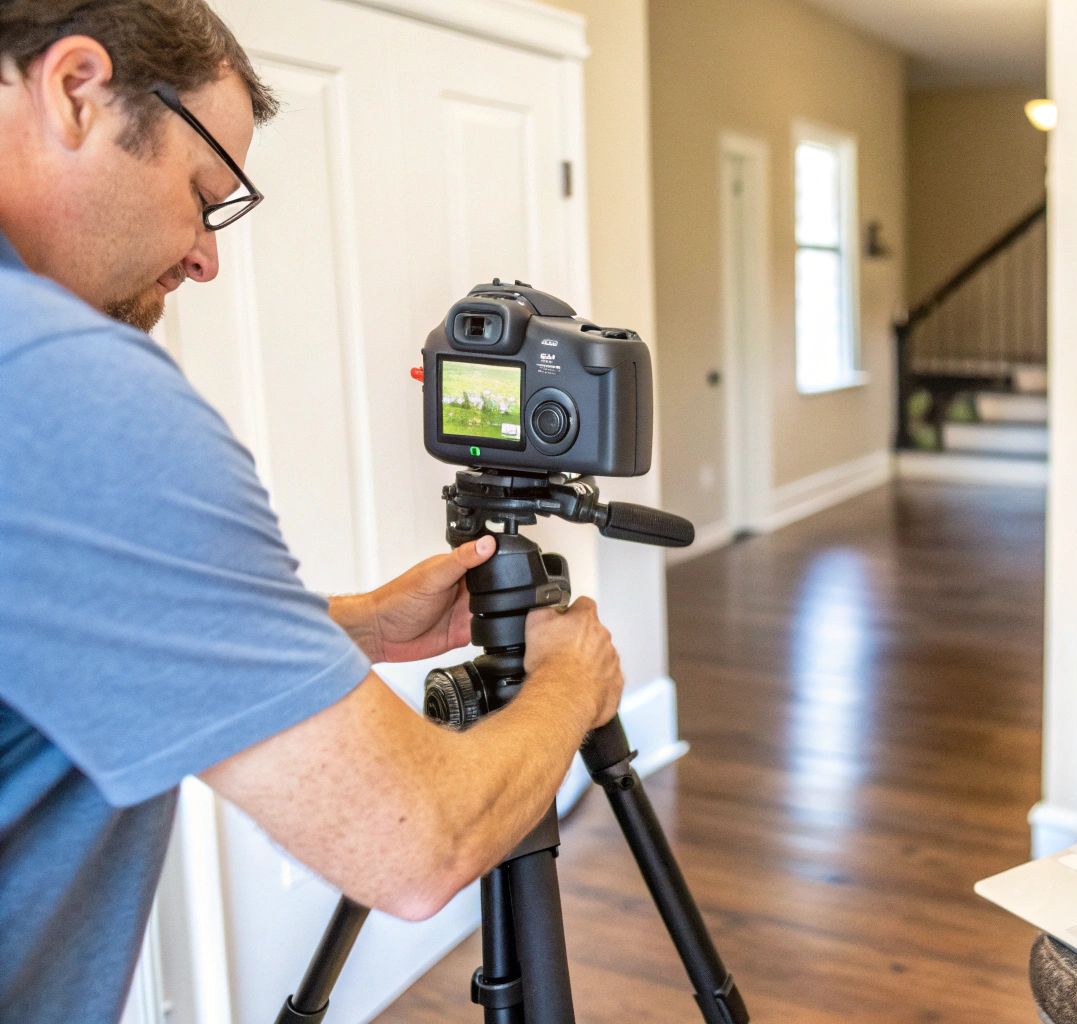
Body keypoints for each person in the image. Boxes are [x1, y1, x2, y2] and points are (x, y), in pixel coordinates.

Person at [0, 2, 629, 1019]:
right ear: (77, 90)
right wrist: (570, 682)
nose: (205, 257)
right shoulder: (66, 386)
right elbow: (418, 847)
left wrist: (355, 627)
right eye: (206, 195)